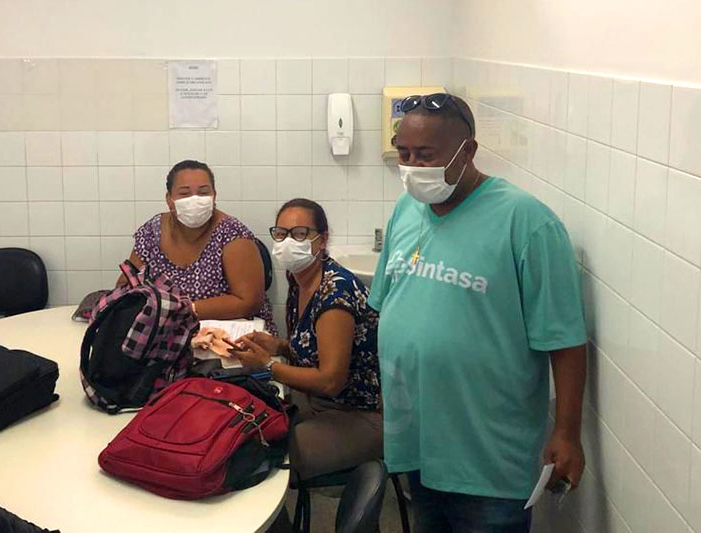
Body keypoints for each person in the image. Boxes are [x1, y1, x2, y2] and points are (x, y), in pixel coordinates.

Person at [369, 93, 587, 532]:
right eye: (404, 153)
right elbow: (387, 305)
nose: (411, 167)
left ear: (467, 150)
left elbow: (564, 340)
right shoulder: (406, 210)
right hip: (418, 442)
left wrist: (566, 432)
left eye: (425, 155)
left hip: (487, 458)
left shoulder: (526, 222)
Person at [231, 198, 382, 481]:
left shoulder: (335, 293)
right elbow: (315, 347)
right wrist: (279, 346)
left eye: (300, 234)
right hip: (318, 403)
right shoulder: (299, 279)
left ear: (322, 240)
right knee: (243, 422)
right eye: (281, 234)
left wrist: (268, 365)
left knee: (263, 454)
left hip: (361, 414)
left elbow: (330, 380)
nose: (288, 242)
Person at [124, 160, 276, 334]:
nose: (194, 200)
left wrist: (182, 310)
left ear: (214, 196)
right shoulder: (152, 231)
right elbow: (126, 284)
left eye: (203, 193)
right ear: (169, 199)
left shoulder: (233, 234)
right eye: (184, 193)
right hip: (164, 333)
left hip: (232, 333)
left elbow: (248, 302)